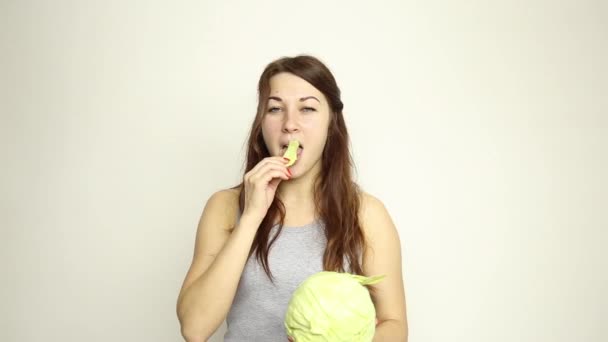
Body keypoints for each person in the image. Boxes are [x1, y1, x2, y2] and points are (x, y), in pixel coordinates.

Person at [176, 55, 408, 341]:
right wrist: (251, 217)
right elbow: (194, 328)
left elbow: (394, 324)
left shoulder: (366, 213)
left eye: (307, 108)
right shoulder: (224, 207)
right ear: (261, 122)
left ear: (330, 123)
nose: (290, 124)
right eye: (275, 109)